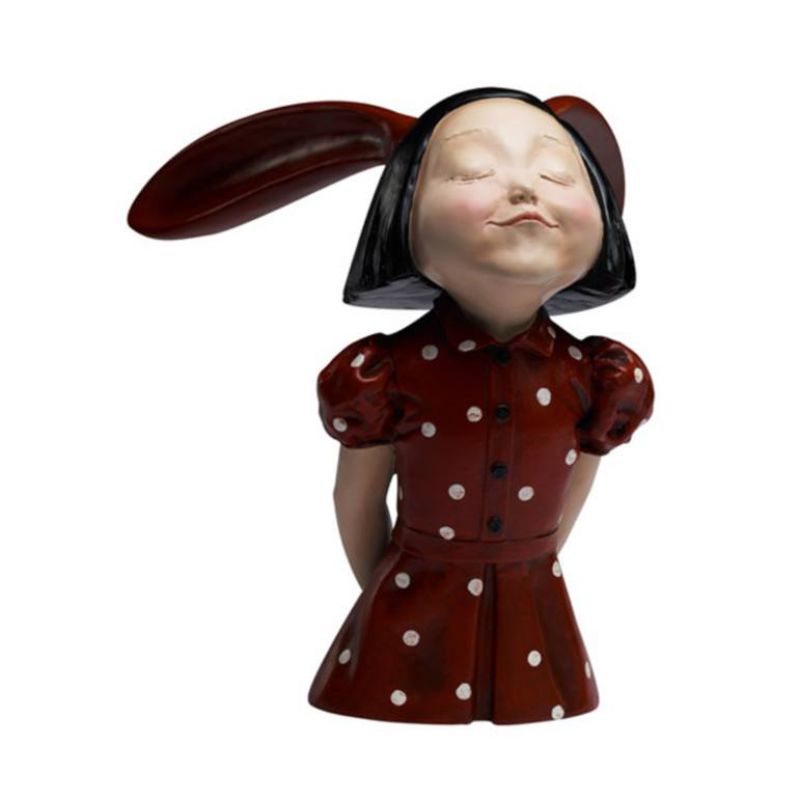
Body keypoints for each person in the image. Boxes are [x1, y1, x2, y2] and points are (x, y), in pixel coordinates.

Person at [128, 86, 655, 724]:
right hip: (410, 599)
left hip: (533, 606)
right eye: (474, 170)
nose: (524, 189)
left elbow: (572, 494)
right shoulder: (384, 374)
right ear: (402, 213)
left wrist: (528, 568)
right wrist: (391, 594)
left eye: (556, 174)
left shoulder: (598, 376)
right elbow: (356, 499)